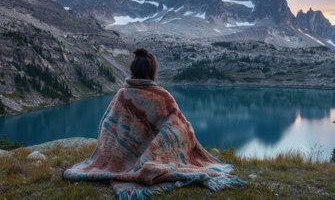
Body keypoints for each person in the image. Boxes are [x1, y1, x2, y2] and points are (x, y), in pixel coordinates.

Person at [63, 48, 245, 199]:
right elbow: (181, 128)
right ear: (153, 71)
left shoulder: (121, 95)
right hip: (152, 161)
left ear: (133, 70)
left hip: (119, 162)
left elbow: (107, 127)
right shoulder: (163, 97)